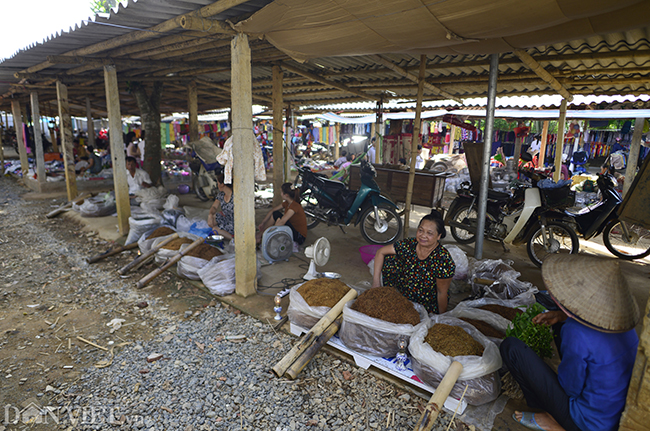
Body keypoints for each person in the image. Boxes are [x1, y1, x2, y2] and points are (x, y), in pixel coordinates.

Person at [502, 254, 639, 431]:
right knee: (560, 327)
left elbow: (570, 388)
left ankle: (553, 418)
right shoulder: (622, 322)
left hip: (587, 423)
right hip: (615, 416)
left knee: (511, 348)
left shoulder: (576, 332)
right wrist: (562, 317)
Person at [372, 211, 455, 314]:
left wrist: (441, 317)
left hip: (427, 301)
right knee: (390, 259)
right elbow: (381, 252)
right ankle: (392, 294)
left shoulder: (443, 260)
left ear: (439, 236)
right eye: (421, 230)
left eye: (429, 233)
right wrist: (376, 283)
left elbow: (442, 292)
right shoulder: (410, 244)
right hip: (407, 291)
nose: (423, 236)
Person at [207, 173, 234, 240]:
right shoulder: (221, 194)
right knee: (213, 218)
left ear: (222, 184)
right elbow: (214, 207)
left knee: (215, 229)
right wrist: (210, 215)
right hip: (227, 219)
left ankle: (233, 239)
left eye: (218, 183)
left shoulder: (235, 195)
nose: (217, 185)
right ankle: (225, 233)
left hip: (236, 222)